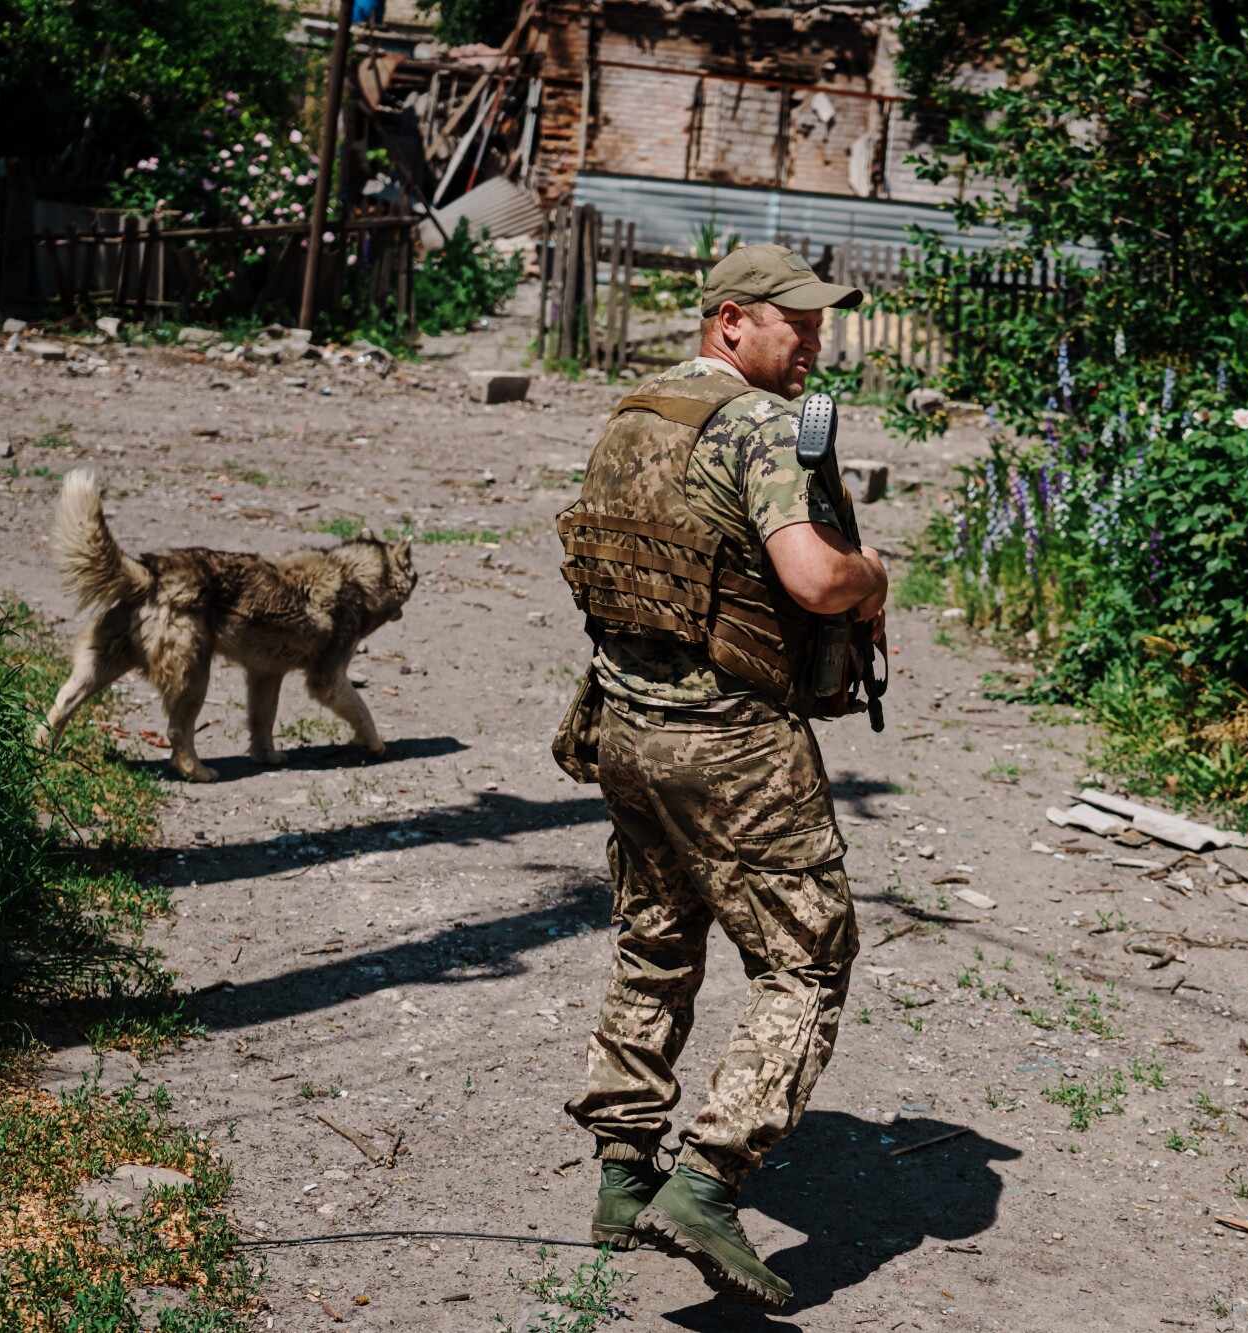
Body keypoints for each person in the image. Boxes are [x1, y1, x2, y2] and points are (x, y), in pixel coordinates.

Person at [552, 243, 885, 1308]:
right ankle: (708, 1177)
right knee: (807, 959)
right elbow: (811, 575)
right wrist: (870, 573)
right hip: (733, 741)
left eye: (821, 324)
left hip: (625, 726)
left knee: (654, 939)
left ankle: (620, 1173)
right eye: (798, 323)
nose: (814, 342)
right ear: (731, 321)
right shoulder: (758, 426)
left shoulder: (634, 413)